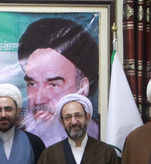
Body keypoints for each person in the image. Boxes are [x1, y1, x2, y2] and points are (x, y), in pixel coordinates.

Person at [18, 17, 101, 146]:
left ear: (82, 88)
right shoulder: (19, 142)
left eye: (53, 85)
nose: (38, 99)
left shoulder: (102, 140)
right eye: (32, 84)